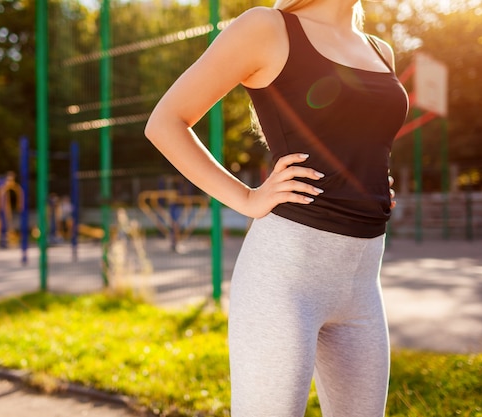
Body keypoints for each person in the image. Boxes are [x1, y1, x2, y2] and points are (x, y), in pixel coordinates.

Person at [144, 0, 409, 414]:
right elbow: (165, 122)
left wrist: (372, 181)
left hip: (361, 285)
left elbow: (361, 142)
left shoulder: (379, 50)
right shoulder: (267, 28)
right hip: (284, 281)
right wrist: (247, 199)